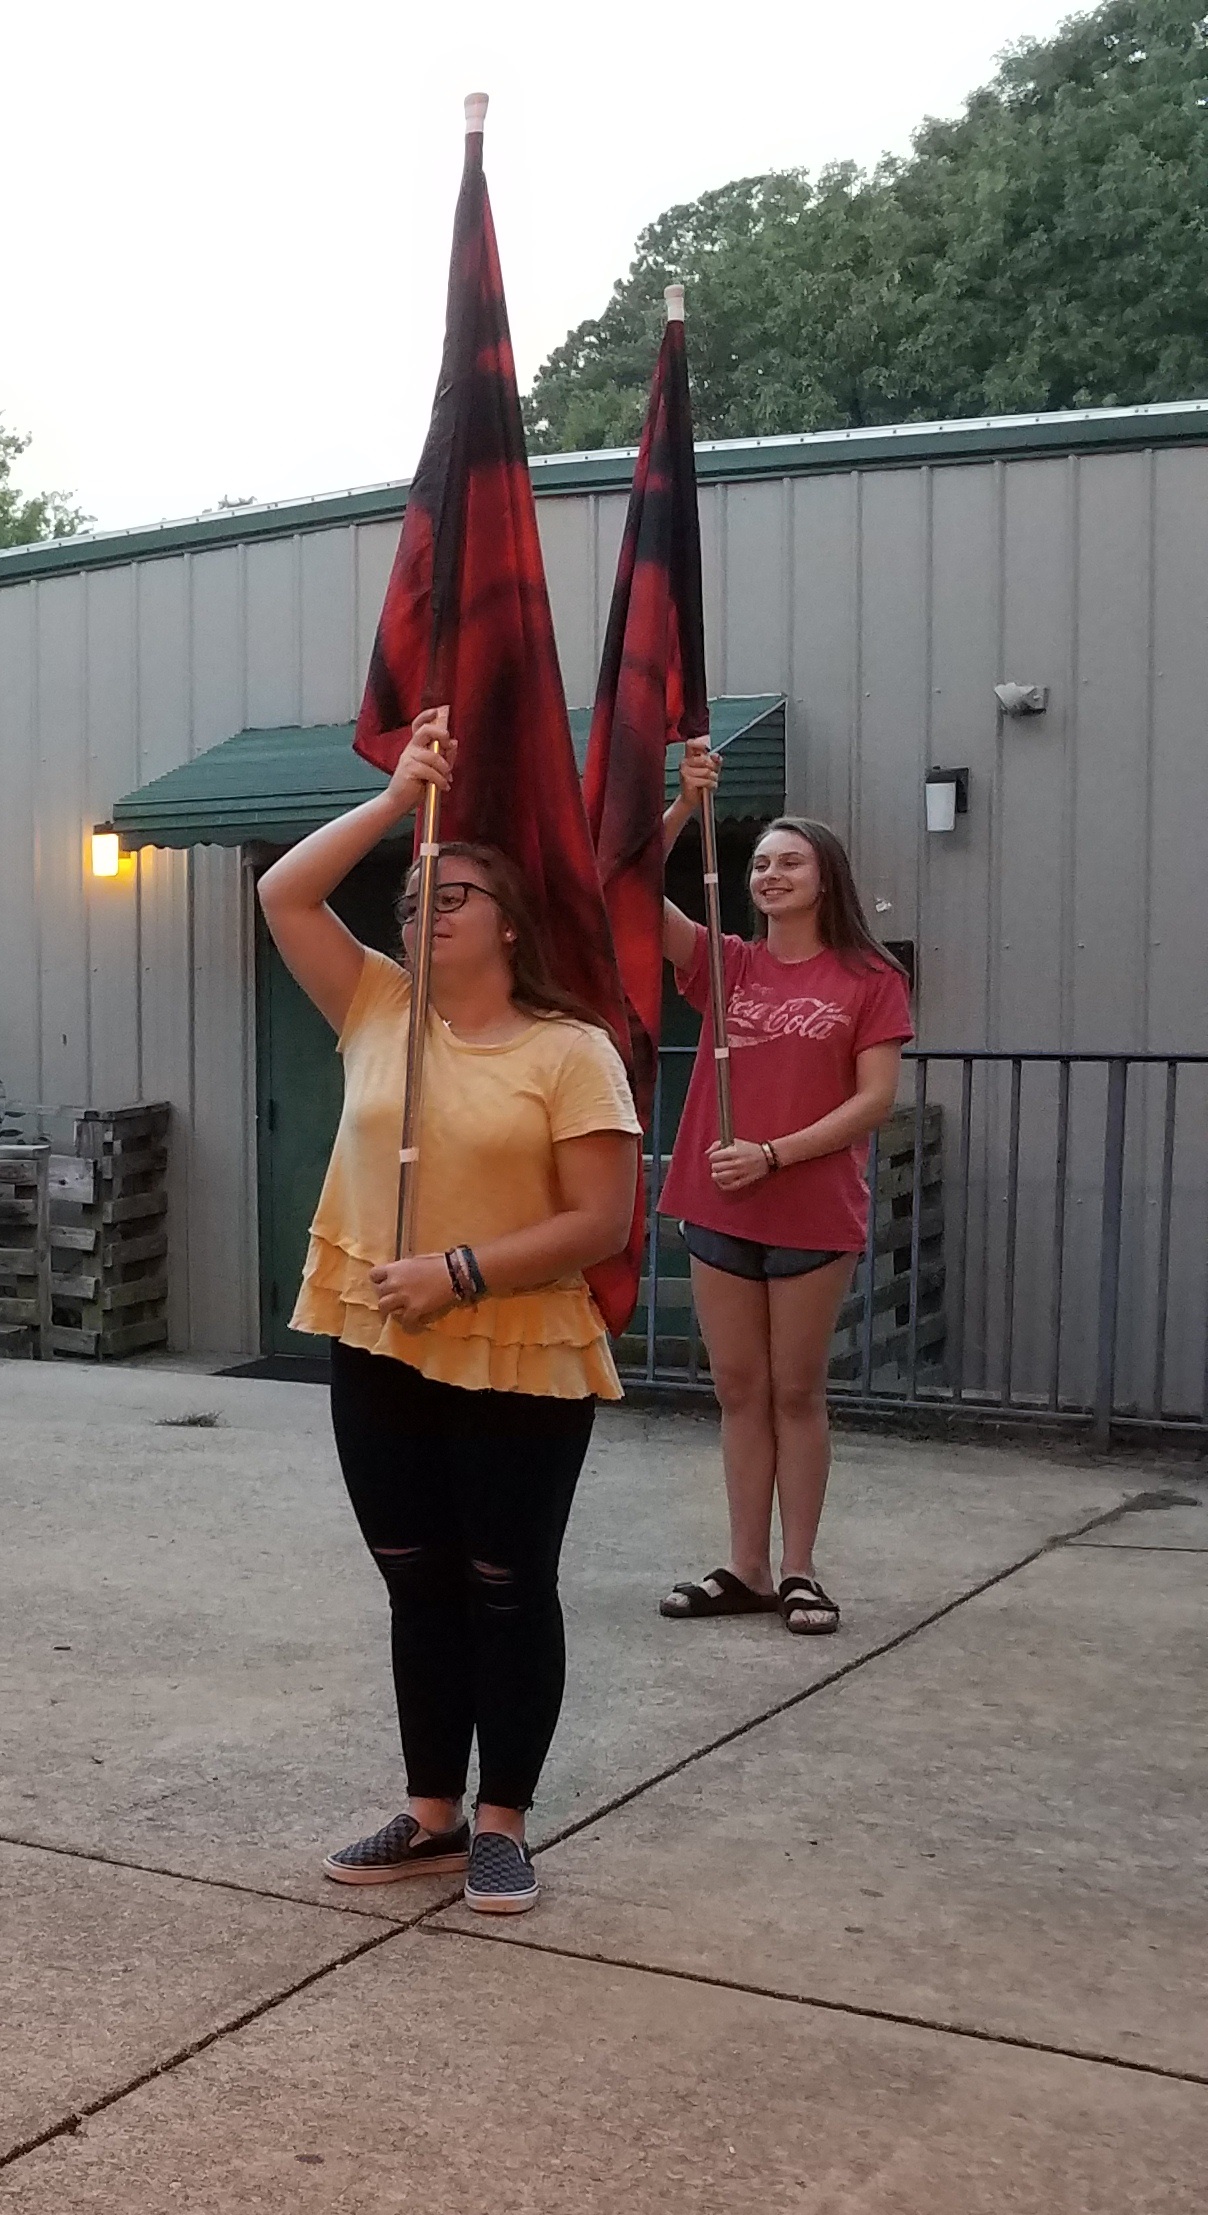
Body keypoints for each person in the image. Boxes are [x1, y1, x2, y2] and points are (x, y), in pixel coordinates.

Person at [257, 709, 640, 1918]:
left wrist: (462, 1271)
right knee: (413, 1577)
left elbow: (603, 1221)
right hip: (380, 1340)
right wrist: (392, 804)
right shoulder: (377, 1007)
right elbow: (283, 893)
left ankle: (504, 1823)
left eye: (455, 891)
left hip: (517, 1348)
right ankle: (430, 1812)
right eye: (415, 895)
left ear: (513, 923)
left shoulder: (570, 1049)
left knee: (505, 1582)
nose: (425, 909)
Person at [648, 756, 912, 1640]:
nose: (769, 874)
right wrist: (686, 803)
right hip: (717, 1206)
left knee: (795, 1393)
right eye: (759, 861)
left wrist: (772, 1154)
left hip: (808, 1211)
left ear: (825, 876)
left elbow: (874, 1101)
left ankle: (800, 1569)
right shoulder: (727, 964)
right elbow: (628, 883)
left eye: (788, 861)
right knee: (737, 1389)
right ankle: (746, 1567)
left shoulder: (869, 980)